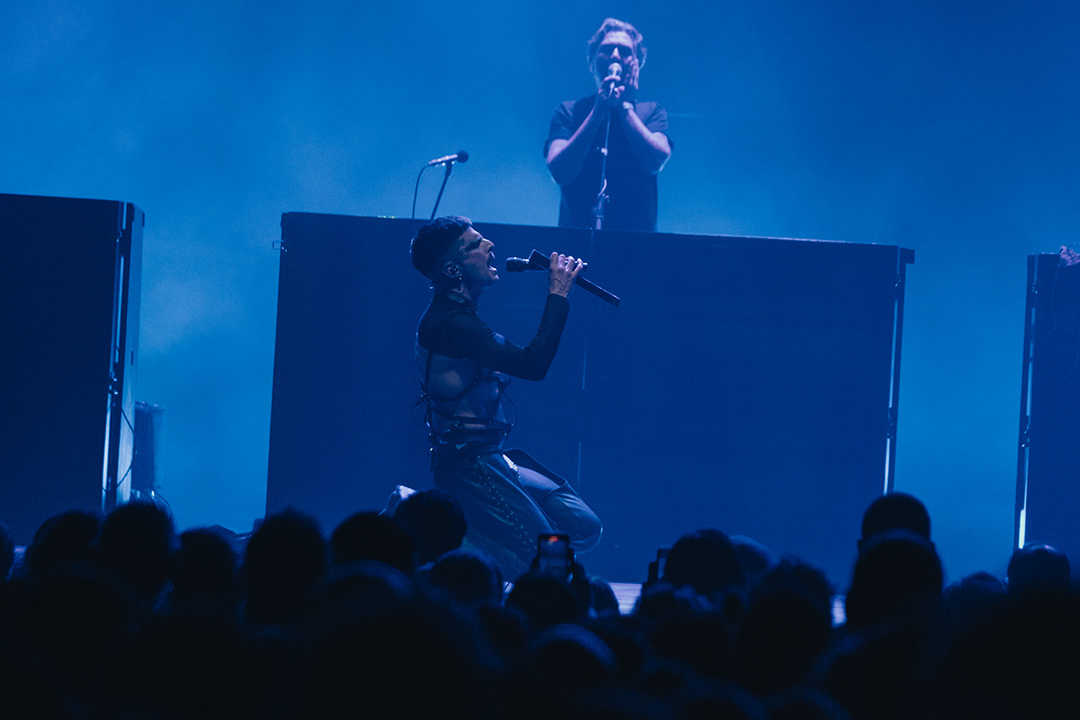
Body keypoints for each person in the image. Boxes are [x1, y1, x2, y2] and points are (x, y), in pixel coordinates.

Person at [410, 216, 602, 579]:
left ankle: (468, 538)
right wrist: (558, 294)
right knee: (547, 556)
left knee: (584, 526)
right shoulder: (452, 323)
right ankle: (445, 540)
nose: (489, 246)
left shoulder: (461, 317)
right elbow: (533, 364)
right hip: (468, 463)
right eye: (474, 244)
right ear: (452, 269)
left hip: (492, 457)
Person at [545, 18, 672, 232]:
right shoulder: (569, 111)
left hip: (636, 240)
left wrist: (625, 107)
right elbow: (559, 171)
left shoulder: (652, 111)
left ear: (638, 63)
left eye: (624, 51)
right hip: (575, 238)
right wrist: (598, 111)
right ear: (592, 62)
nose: (615, 56)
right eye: (606, 49)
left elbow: (656, 160)